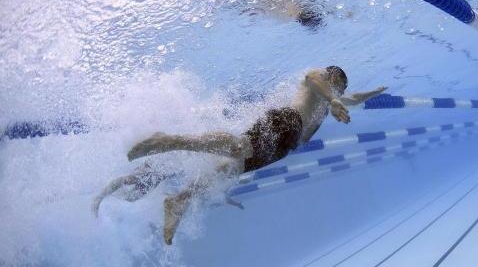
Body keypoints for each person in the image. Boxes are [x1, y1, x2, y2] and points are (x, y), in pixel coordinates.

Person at [100, 67, 387, 245]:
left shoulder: (331, 100)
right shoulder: (321, 81)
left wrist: (373, 93)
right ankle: (168, 141)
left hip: (284, 146)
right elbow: (313, 80)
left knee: (230, 169)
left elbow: (353, 98)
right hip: (286, 122)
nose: (340, 91)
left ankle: (180, 199)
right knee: (238, 148)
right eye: (338, 85)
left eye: (341, 89)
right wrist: (333, 98)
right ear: (332, 76)